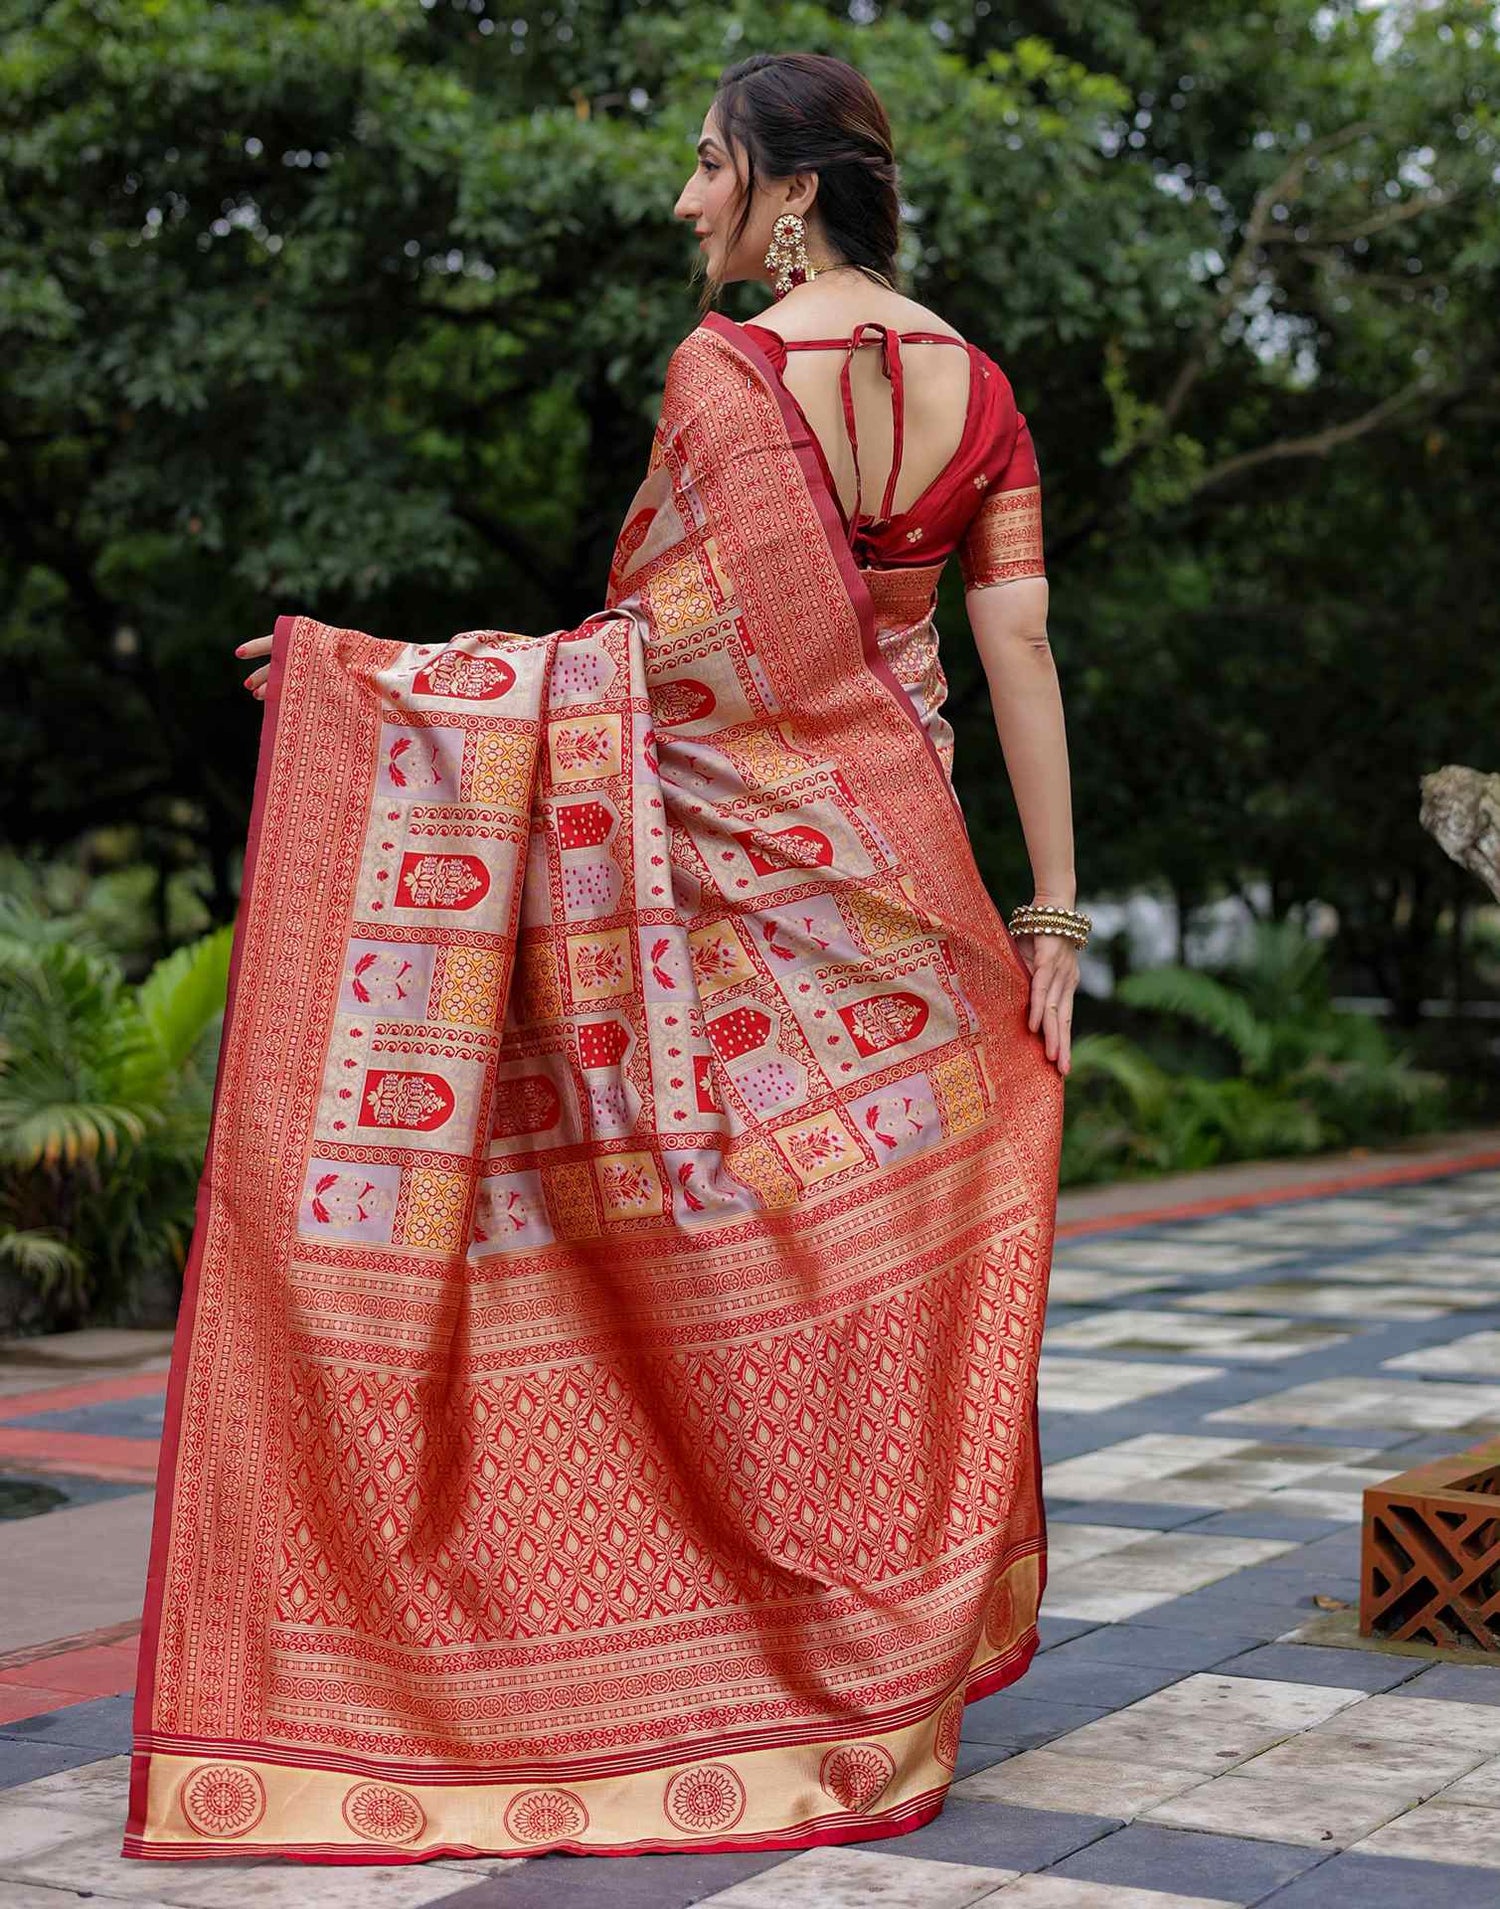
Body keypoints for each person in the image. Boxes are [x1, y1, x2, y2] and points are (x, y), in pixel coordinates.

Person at [124, 50, 1084, 1866]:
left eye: (705, 167)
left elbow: (644, 660)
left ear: (787, 187)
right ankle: (871, 1648)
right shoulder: (984, 387)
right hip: (912, 904)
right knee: (872, 1275)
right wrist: (1052, 915)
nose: (683, 203)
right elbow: (1017, 643)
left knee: (686, 1238)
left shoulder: (726, 377)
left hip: (732, 896)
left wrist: (390, 686)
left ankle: (755, 1644)